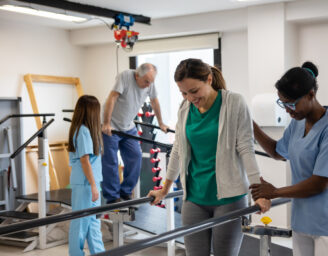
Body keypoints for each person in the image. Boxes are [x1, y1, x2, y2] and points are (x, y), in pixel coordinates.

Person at [147, 58, 271, 256]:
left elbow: (246, 149)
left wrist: (260, 193)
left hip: (229, 198)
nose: (190, 98)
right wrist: (164, 190)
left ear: (209, 80)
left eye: (194, 91)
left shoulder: (234, 102)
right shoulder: (185, 109)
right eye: (183, 93)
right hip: (194, 198)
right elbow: (178, 150)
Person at [250, 62, 328, 256]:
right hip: (303, 221)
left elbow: (319, 183)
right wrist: (252, 126)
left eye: (292, 103)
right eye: (283, 103)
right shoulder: (297, 124)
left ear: (311, 95)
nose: (288, 110)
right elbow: (277, 151)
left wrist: (274, 192)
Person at [102, 63, 169, 204]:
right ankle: (112, 196)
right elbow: (112, 97)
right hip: (112, 126)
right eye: (146, 81)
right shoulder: (125, 76)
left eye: (151, 82)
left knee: (136, 156)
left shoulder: (150, 83)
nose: (148, 85)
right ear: (137, 75)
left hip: (128, 126)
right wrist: (106, 122)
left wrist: (161, 122)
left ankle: (125, 192)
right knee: (111, 161)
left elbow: (154, 101)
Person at [68, 95, 105, 256]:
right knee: (81, 223)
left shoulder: (85, 130)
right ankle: (75, 254)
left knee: (93, 223)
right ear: (91, 112)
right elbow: (85, 161)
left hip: (90, 182)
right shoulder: (82, 131)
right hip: (85, 184)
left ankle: (99, 252)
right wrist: (93, 186)